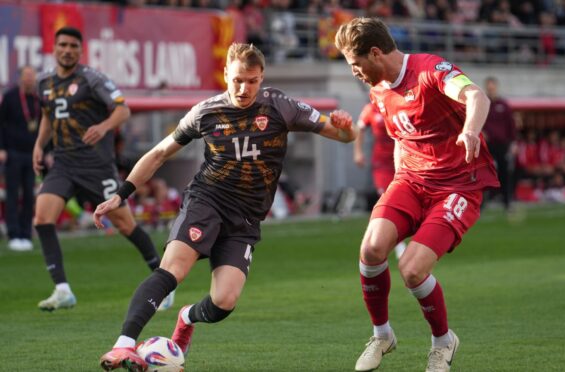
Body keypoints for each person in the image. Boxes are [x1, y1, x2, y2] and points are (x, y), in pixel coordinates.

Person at [95, 42, 356, 371]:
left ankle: (186, 316)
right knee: (172, 269)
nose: (243, 88)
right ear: (225, 75)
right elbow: (159, 154)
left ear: (261, 78)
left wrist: (347, 129)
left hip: (247, 217)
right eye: (236, 80)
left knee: (225, 301)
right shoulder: (206, 112)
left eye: (251, 80)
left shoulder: (280, 106)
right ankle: (124, 345)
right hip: (208, 200)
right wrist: (121, 194)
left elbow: (345, 136)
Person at [335, 17, 499, 372]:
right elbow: (400, 138)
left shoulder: (429, 70)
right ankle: (382, 335)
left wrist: (470, 131)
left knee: (411, 269)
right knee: (371, 248)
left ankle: (443, 341)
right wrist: (399, 182)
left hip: (457, 185)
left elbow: (475, 95)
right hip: (410, 179)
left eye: (355, 64)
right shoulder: (378, 89)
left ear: (375, 53)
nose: (355, 73)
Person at [33, 27, 173, 312]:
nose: (67, 50)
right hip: (63, 163)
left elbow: (123, 110)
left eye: (73, 45)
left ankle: (165, 283)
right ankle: (62, 290)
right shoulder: (44, 81)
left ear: (80, 50)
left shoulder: (91, 79)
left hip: (96, 166)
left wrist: (104, 126)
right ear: (55, 48)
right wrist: (39, 145)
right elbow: (48, 114)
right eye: (63, 45)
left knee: (125, 225)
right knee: (42, 218)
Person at [354, 102, 406, 258]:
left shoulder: (397, 101)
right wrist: (358, 152)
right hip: (382, 163)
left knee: (404, 199)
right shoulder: (370, 109)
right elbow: (359, 129)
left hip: (403, 160)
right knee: (387, 197)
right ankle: (398, 243)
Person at [0, 66, 39, 251]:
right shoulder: (10, 97)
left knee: (30, 196)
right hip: (13, 152)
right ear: (20, 78)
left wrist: (45, 151)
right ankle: (13, 234)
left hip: (32, 155)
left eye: (32, 76)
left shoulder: (39, 100)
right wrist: (1, 148)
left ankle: (25, 233)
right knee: (13, 195)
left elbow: (43, 127)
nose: (29, 79)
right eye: (27, 76)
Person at [483, 76, 517, 211]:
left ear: (496, 87)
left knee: (504, 174)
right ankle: (482, 204)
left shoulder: (504, 105)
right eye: (489, 87)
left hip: (502, 145)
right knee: (484, 174)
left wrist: (513, 143)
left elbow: (511, 126)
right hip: (487, 145)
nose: (491, 89)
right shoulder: (482, 103)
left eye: (493, 87)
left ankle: (507, 202)